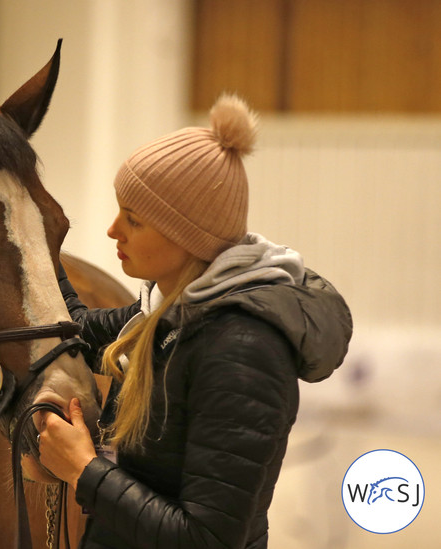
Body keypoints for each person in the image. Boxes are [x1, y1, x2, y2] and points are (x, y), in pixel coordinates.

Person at [37, 94, 352, 549]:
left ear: (186, 237)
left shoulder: (243, 350)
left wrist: (84, 470)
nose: (112, 231)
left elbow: (208, 539)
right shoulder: (167, 315)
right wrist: (33, 248)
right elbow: (77, 332)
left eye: (134, 219)